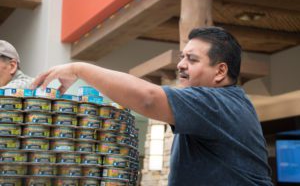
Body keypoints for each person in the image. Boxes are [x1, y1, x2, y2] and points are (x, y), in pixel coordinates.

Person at [32, 27, 273, 186]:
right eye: (182, 56)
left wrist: (79, 69)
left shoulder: (217, 103)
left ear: (220, 71)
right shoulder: (223, 103)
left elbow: (147, 98)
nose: (180, 65)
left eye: (192, 59)